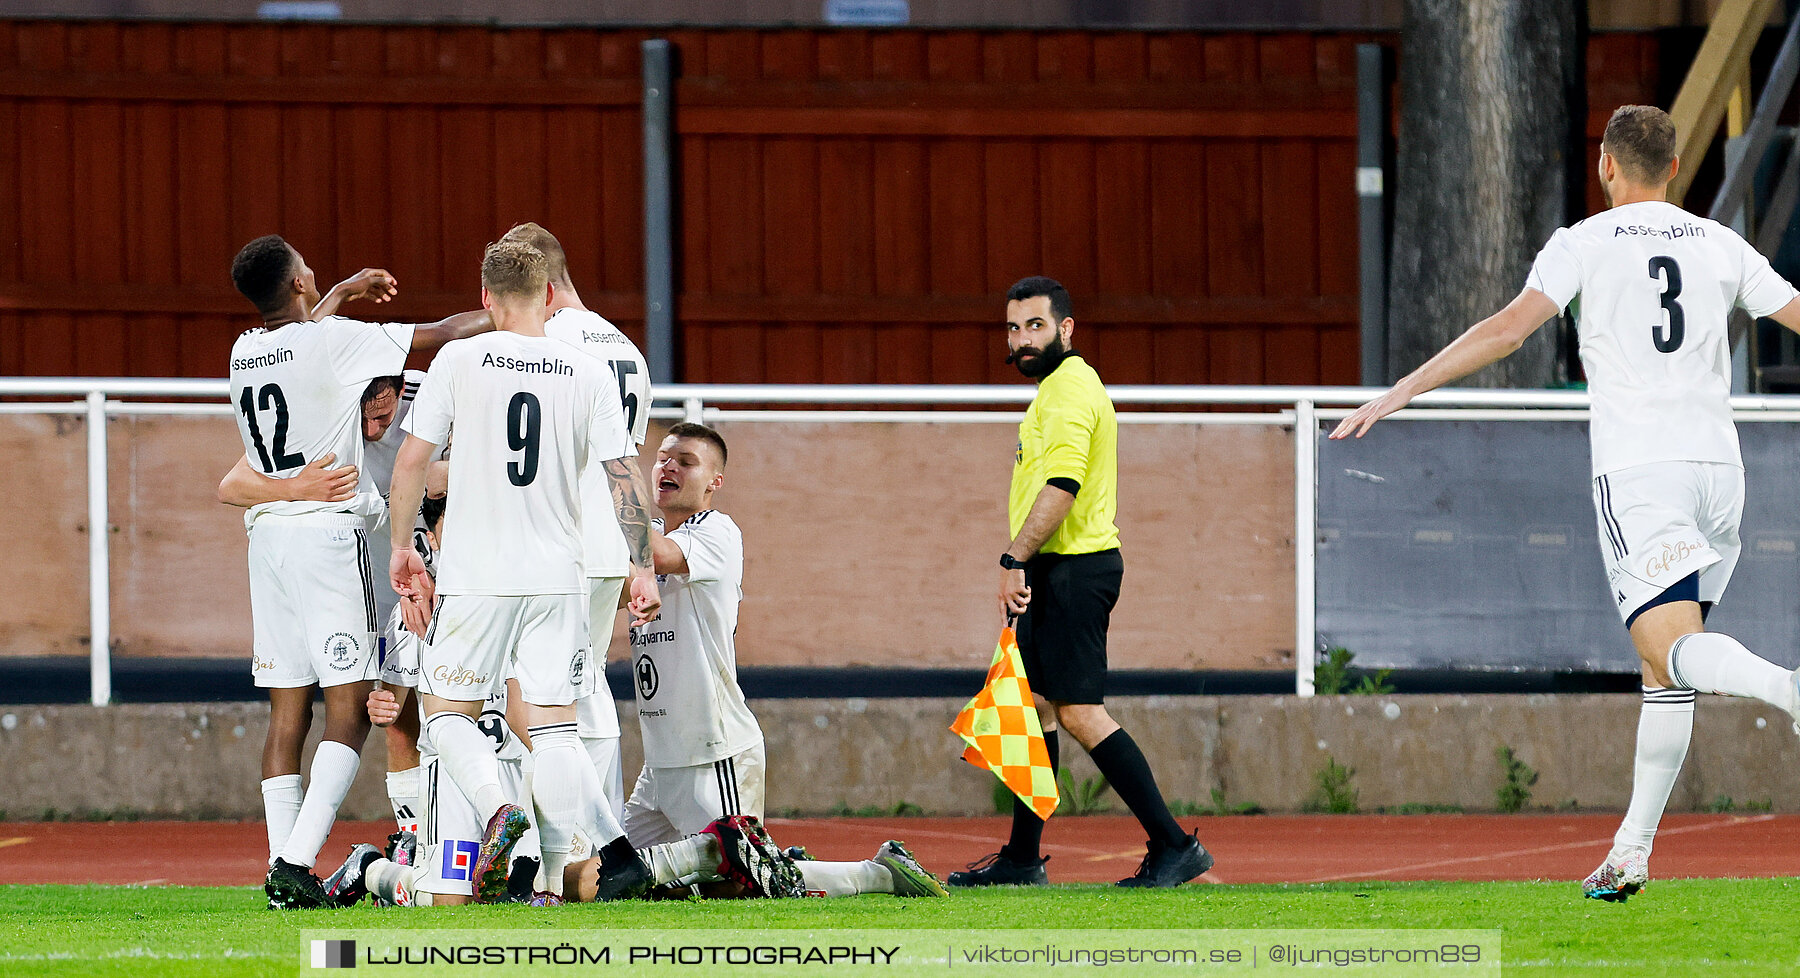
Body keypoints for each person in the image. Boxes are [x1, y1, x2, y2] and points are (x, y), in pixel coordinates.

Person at [1332, 104, 1800, 902]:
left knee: (1669, 648)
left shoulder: (1583, 242)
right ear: (1675, 169)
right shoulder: (1720, 242)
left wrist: (1405, 386)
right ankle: (1630, 853)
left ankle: (1791, 690)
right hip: (1721, 472)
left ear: (1607, 166)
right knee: (1664, 668)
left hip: (1643, 469)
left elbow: (1510, 330)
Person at [386, 238, 662, 904]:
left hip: (478, 570)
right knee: (556, 728)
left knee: (445, 714)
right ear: (547, 294)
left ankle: (493, 809)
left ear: (485, 298)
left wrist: (405, 549)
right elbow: (623, 476)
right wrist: (642, 566)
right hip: (556, 575)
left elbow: (410, 463)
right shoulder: (585, 370)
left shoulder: (459, 357)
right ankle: (553, 873)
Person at [227, 234, 491, 908]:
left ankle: (278, 868)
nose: (313, 273)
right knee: (351, 713)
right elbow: (442, 332)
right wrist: (514, 310)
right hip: (328, 535)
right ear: (295, 284)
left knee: (288, 712)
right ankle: (293, 861)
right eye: (306, 267)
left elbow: (302, 335)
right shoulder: (335, 340)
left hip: (268, 540)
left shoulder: (246, 350)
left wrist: (341, 290)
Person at [951, 276, 1212, 889]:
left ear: (1066, 329)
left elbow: (1063, 487)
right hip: (1055, 567)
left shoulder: (1068, 389)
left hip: (1074, 568)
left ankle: (1175, 845)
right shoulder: (1055, 390)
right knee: (1037, 707)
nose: (1021, 340)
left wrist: (1013, 560)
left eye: (1035, 326)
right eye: (1013, 329)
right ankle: (1020, 859)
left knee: (1080, 712)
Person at [622, 423, 945, 898]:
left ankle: (879, 873)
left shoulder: (716, 533)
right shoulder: (643, 543)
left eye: (686, 461)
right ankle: (781, 861)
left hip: (714, 748)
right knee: (622, 878)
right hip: (662, 758)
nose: (668, 466)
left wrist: (616, 495)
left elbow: (660, 553)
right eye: (662, 458)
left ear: (715, 481)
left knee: (744, 884)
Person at [218, 371, 444, 840]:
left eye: (381, 415)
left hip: (435, 558)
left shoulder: (435, 392)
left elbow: (463, 472)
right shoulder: (319, 407)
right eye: (357, 416)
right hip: (366, 568)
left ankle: (484, 835)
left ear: (398, 392)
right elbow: (231, 485)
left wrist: (420, 490)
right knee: (394, 717)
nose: (369, 429)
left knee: (462, 705)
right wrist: (298, 488)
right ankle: (415, 841)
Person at [508, 221, 653, 822]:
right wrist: (638, 560)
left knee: (537, 701)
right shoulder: (628, 352)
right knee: (586, 688)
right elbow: (625, 463)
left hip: (550, 547)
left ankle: (561, 848)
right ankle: (598, 841)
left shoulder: (545, 348)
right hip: (606, 546)